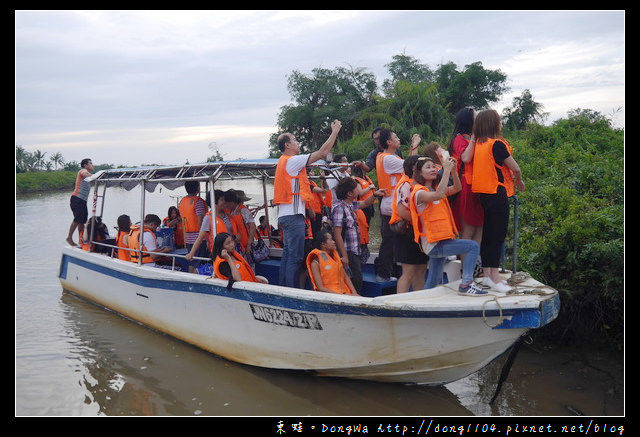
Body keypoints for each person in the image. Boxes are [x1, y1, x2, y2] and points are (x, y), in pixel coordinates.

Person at [273, 119, 342, 288]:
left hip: (286, 216)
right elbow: (323, 152)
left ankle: (284, 287)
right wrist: (334, 132)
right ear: (288, 145)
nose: (298, 143)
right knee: (295, 257)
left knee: (288, 255)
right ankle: (291, 291)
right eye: (295, 140)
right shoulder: (292, 160)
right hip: (293, 216)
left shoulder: (283, 162)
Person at [464, 109, 525, 293]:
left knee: (489, 235)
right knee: (496, 236)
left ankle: (488, 274)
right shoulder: (497, 144)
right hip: (497, 193)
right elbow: (515, 167)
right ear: (494, 124)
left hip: (484, 195)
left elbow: (467, 159)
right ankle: (495, 277)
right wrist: (519, 180)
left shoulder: (479, 144)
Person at [409, 156, 487, 295]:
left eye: (434, 166)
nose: (433, 169)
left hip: (441, 241)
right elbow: (439, 195)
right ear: (420, 173)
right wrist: (446, 170)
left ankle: (425, 302)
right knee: (472, 246)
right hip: (434, 244)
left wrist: (454, 171)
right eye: (428, 167)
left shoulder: (434, 189)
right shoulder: (419, 193)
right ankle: (467, 284)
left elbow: (458, 187)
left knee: (433, 281)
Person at [374, 129, 420, 282]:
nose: (398, 139)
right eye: (395, 137)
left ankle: (390, 272)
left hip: (391, 204)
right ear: (388, 142)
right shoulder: (388, 159)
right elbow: (413, 165)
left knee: (393, 241)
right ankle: (383, 274)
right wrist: (415, 146)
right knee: (389, 242)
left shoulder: (387, 157)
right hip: (391, 206)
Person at [331, 176, 385, 293]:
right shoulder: (339, 208)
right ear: (350, 193)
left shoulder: (349, 205)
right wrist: (344, 255)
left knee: (356, 279)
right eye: (356, 189)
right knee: (355, 280)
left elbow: (365, 203)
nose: (359, 191)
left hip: (355, 251)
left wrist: (375, 195)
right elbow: (337, 233)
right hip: (348, 251)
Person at [390, 155, 428, 293]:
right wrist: (420, 222)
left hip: (418, 231)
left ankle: (419, 300)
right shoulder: (405, 184)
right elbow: (402, 211)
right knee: (409, 271)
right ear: (414, 168)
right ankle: (400, 302)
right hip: (407, 231)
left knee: (421, 269)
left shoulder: (420, 184)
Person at [448, 107, 483, 248]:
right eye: (476, 117)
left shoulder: (477, 139)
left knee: (479, 227)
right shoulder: (459, 139)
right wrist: (474, 138)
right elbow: (466, 158)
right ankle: (466, 267)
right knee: (468, 229)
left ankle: (475, 264)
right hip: (466, 187)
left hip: (478, 186)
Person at [185, 189, 237, 270]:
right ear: (214, 202)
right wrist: (191, 253)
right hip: (219, 254)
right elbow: (200, 238)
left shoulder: (227, 215)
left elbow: (233, 231)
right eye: (222, 200)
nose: (225, 202)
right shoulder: (208, 218)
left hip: (232, 251)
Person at [306, 229, 358, 295]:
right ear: (323, 244)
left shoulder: (336, 258)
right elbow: (320, 288)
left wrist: (354, 293)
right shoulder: (315, 263)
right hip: (330, 295)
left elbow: (345, 277)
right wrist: (340, 296)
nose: (334, 242)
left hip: (344, 293)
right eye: (331, 240)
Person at [178, 181, 208, 270]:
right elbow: (200, 222)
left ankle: (191, 275)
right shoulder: (198, 202)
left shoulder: (182, 201)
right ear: (197, 188)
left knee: (191, 260)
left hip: (187, 236)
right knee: (198, 261)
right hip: (198, 237)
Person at [66, 158, 94, 246]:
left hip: (82, 201)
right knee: (78, 219)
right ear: (85, 165)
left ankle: (81, 239)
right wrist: (95, 176)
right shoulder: (83, 171)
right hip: (77, 199)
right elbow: (86, 174)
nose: (92, 165)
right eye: (90, 163)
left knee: (82, 220)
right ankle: (69, 238)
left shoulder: (88, 174)